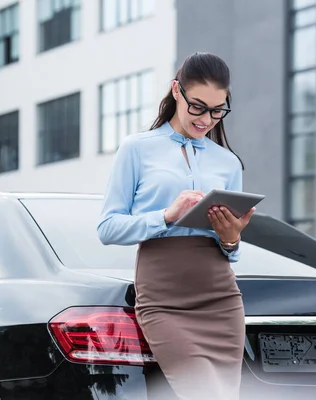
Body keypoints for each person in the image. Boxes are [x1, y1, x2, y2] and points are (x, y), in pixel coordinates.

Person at [96, 52, 254, 400]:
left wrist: (231, 240)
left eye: (217, 110)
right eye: (198, 106)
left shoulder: (228, 162)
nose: (207, 119)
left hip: (221, 298)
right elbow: (107, 228)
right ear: (176, 92)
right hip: (164, 298)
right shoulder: (137, 149)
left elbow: (232, 252)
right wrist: (166, 216)